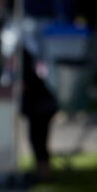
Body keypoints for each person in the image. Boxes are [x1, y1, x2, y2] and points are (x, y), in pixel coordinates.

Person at [22, 49, 59, 181]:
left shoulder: (28, 70)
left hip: (41, 109)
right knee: (37, 141)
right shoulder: (31, 68)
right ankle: (41, 172)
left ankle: (44, 174)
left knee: (39, 142)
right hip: (40, 109)